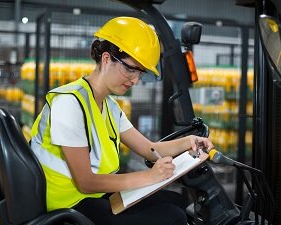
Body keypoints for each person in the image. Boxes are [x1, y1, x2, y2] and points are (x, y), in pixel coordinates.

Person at [30, 16, 214, 225]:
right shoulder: (69, 103)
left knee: (176, 201)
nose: (135, 80)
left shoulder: (109, 106)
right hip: (67, 206)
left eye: (140, 73)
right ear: (107, 59)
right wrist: (150, 177)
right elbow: (85, 182)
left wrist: (189, 142)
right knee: (173, 217)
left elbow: (150, 149)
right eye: (130, 69)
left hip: (94, 197)